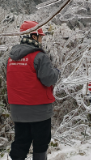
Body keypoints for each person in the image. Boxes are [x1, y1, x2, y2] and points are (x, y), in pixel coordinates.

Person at [6, 21, 60, 160]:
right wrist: (56, 72)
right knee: (41, 144)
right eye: (40, 36)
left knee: (21, 142)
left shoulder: (11, 58)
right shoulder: (39, 56)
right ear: (33, 36)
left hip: (18, 111)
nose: (42, 39)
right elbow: (48, 79)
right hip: (39, 111)